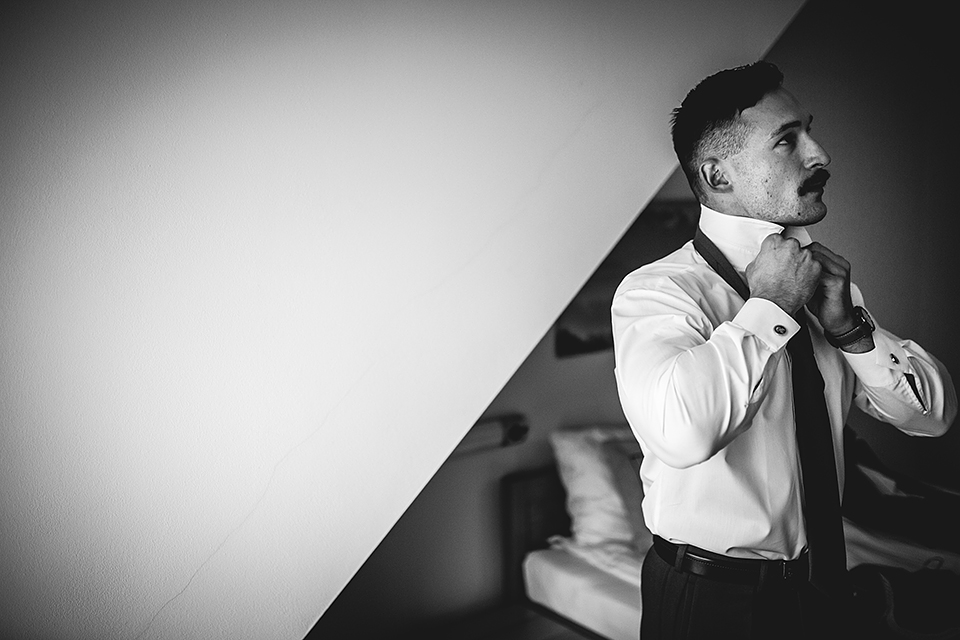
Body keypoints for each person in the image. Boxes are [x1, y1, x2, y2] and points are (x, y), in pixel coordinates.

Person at [611, 61, 957, 639]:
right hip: (709, 601)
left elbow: (933, 417)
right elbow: (681, 433)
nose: (821, 155)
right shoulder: (658, 293)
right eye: (787, 140)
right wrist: (769, 307)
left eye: (810, 132)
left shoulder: (828, 290)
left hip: (824, 587)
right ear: (717, 175)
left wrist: (850, 331)